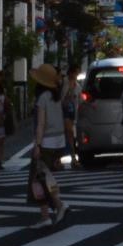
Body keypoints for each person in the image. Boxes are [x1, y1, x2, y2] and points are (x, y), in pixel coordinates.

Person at [27, 62, 70, 226]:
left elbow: (41, 124)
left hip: (46, 142)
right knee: (43, 179)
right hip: (58, 141)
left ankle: (58, 206)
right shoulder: (56, 95)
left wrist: (37, 145)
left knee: (39, 179)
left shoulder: (43, 97)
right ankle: (46, 214)